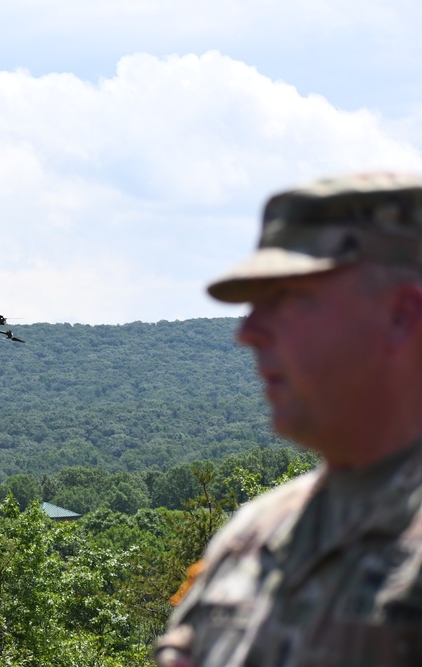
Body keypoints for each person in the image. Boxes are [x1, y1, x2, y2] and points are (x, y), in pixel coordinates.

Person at [154, 172, 422, 667]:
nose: (249, 332)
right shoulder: (253, 533)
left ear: (403, 314)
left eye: (289, 299)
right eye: (255, 304)